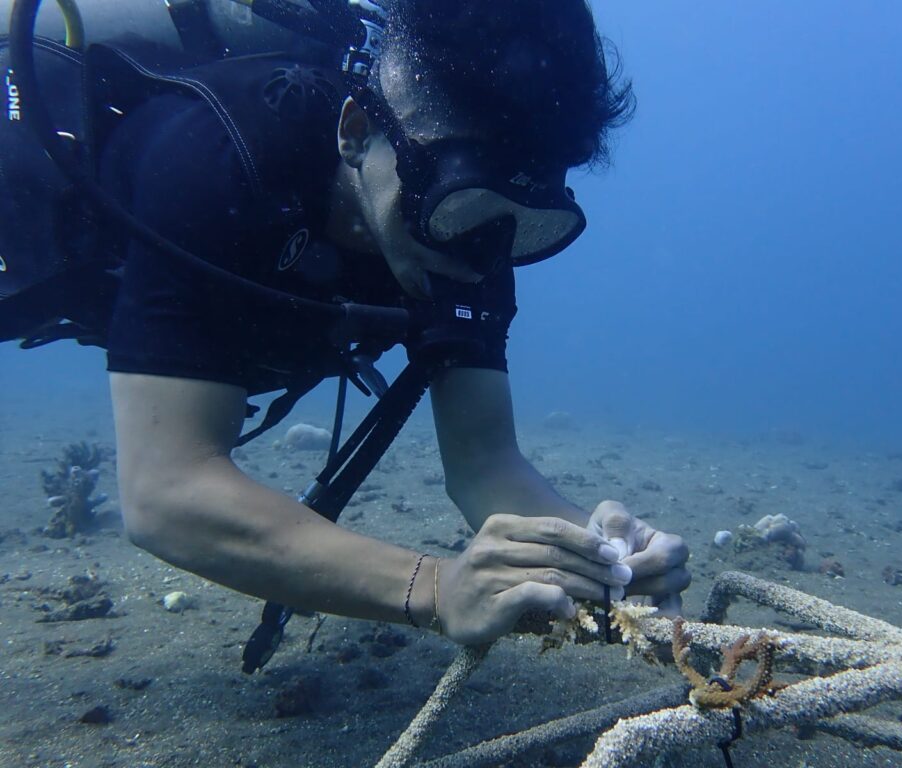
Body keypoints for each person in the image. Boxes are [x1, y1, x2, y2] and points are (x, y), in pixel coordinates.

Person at [103, 0, 691, 647]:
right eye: (457, 202)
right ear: (356, 131)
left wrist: (599, 553)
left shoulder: (471, 234)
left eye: (518, 224)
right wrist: (435, 587)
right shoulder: (214, 158)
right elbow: (167, 492)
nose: (476, 259)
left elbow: (483, 464)